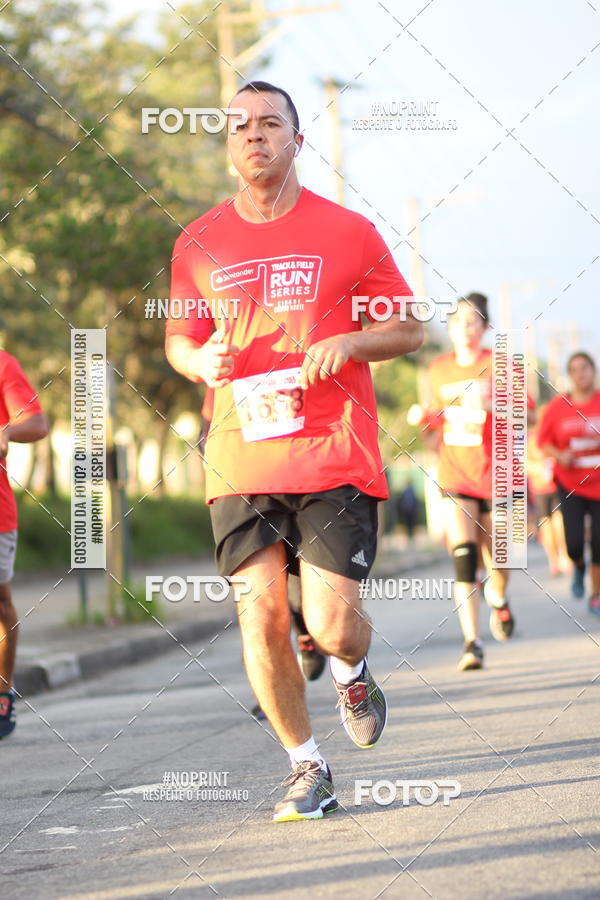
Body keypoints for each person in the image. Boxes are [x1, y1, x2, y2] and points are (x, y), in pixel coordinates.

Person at [165, 81, 422, 821]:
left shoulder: (349, 231)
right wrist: (197, 361)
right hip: (240, 452)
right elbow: (179, 338)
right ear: (228, 144)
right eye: (239, 126)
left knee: (333, 623)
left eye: (270, 123)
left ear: (296, 140)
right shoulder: (197, 241)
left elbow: (408, 328)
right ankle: (307, 766)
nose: (254, 134)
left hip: (332, 450)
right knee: (261, 615)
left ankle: (351, 669)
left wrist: (351, 343)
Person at [408, 293, 535, 671]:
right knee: (463, 557)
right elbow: (435, 429)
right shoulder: (436, 370)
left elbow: (529, 416)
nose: (464, 328)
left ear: (485, 328)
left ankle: (499, 598)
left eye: (472, 321)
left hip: (498, 473)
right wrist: (424, 419)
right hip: (456, 473)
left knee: (502, 557)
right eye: (458, 321)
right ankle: (472, 642)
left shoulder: (502, 365)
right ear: (449, 328)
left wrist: (492, 406)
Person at [199, 388, 326, 709]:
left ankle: (307, 631)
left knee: (298, 588)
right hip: (247, 484)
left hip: (302, 479)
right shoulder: (222, 374)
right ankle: (273, 695)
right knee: (260, 606)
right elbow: (209, 423)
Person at [0, 350, 48, 738]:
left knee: (0, 604)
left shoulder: (2, 364)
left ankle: (2, 692)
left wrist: (7, 432)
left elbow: (36, 422)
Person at [537, 352, 600, 612]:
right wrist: (559, 454)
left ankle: (596, 594)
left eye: (585, 367)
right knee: (574, 542)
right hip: (571, 482)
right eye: (575, 369)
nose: (581, 373)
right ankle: (578, 565)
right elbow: (543, 441)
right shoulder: (557, 407)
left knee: (599, 542)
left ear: (593, 370)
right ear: (570, 375)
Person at [528, 415, 570, 577]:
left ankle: (563, 556)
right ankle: (553, 560)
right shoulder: (530, 440)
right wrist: (538, 468)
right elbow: (523, 464)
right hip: (540, 488)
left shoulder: (553, 435)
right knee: (546, 524)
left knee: (559, 521)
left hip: (557, 485)